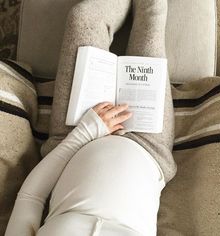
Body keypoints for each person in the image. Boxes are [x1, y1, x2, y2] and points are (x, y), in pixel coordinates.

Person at [5, 0, 177, 235]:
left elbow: (30, 197)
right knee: (153, 13)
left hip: (75, 134)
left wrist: (86, 131)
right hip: (147, 145)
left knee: (84, 17)